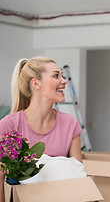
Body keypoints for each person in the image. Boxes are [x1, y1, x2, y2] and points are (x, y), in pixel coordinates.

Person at [0, 57, 82, 201]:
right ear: (36, 83)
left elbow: (78, 176)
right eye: (56, 75)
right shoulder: (9, 125)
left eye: (62, 75)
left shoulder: (70, 124)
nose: (64, 81)